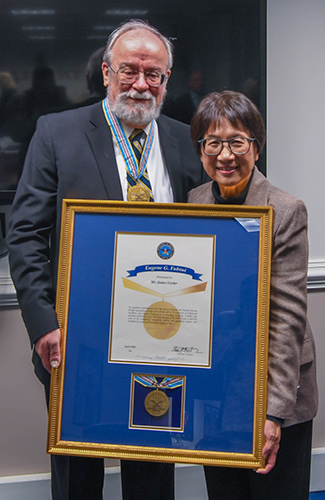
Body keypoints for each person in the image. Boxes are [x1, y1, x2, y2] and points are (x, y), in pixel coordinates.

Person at [6, 19, 205, 500]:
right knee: (78, 471)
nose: (141, 84)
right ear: (105, 72)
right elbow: (26, 233)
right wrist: (44, 325)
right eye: (130, 70)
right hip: (78, 339)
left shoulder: (187, 139)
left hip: (161, 333)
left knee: (152, 468)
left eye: (153, 74)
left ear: (166, 80)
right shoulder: (57, 132)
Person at [188, 90, 318, 500]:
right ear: (201, 150)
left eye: (237, 141)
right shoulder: (195, 200)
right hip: (220, 384)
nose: (224, 155)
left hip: (273, 382)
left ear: (256, 148)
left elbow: (287, 318)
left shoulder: (286, 209)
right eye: (213, 142)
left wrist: (273, 412)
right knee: (224, 493)